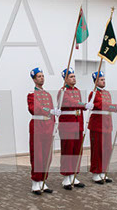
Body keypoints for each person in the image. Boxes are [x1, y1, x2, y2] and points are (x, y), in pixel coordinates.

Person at [27, 67, 59, 195]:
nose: (42, 78)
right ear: (34, 79)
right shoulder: (31, 94)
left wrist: (54, 122)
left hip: (47, 127)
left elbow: (51, 111)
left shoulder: (47, 95)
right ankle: (36, 182)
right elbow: (34, 108)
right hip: (37, 126)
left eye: (42, 76)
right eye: (39, 76)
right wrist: (49, 111)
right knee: (37, 156)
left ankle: (43, 181)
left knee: (47, 156)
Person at [87, 71, 117, 184]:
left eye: (104, 79)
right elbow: (102, 105)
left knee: (107, 149)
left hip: (107, 124)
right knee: (97, 149)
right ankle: (96, 173)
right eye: (101, 80)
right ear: (96, 81)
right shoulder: (93, 94)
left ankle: (103, 171)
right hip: (97, 124)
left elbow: (108, 107)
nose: (104, 81)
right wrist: (116, 106)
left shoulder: (107, 93)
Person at [57, 68, 89, 190]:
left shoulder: (77, 91)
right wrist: (84, 104)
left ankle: (73, 175)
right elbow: (70, 102)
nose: (74, 78)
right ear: (65, 79)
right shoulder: (62, 92)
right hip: (67, 125)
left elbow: (78, 105)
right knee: (68, 151)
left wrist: (86, 106)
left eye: (74, 76)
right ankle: (66, 177)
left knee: (77, 151)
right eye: (71, 77)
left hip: (78, 124)